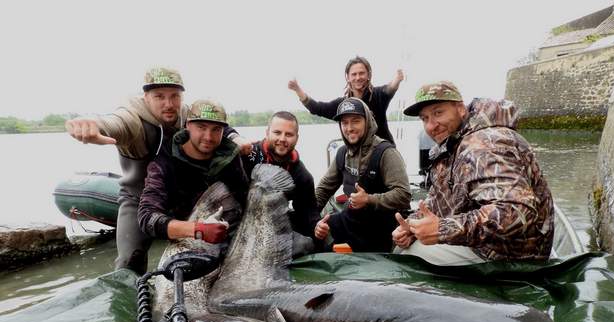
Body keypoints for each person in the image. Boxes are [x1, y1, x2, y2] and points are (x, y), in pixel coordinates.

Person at [65, 67, 250, 274]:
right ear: (145, 97)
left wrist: (236, 138)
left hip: (180, 197)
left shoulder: (186, 115)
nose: (168, 104)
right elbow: (114, 124)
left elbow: (216, 124)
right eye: (159, 96)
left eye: (174, 96)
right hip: (138, 199)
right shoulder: (131, 119)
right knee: (129, 261)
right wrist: (93, 125)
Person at [392, 81, 554, 265]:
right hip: (482, 243)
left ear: (460, 109)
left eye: (438, 113)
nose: (431, 126)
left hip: (511, 254)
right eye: (424, 118)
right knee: (405, 246)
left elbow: (516, 212)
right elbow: (438, 200)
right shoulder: (453, 145)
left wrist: (442, 229)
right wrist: (412, 226)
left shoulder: (486, 144)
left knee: (408, 259)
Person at [137, 99, 248, 245]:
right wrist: (198, 229)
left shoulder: (230, 157)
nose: (208, 137)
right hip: (188, 236)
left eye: (216, 129)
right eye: (201, 127)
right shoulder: (165, 162)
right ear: (188, 125)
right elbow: (147, 217)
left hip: (230, 233)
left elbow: (244, 198)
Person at [314, 97, 411, 252]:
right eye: (344, 123)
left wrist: (369, 199)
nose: (349, 128)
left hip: (383, 225)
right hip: (353, 219)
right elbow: (323, 190)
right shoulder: (342, 153)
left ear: (368, 122)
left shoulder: (386, 152)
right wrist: (314, 221)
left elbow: (404, 194)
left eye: (355, 121)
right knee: (315, 233)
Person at [288, 56, 404, 144]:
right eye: (354, 74)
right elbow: (316, 108)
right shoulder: (342, 105)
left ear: (368, 75)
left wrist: (398, 79)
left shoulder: (378, 95)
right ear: (347, 77)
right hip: (358, 155)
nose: (358, 78)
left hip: (383, 151)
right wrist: (297, 89)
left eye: (361, 73)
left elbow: (390, 88)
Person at [241, 111, 320, 239]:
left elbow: (308, 211)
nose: (282, 139)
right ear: (267, 133)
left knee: (307, 243)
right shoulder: (248, 155)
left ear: (297, 138)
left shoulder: (302, 174)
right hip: (242, 220)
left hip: (272, 224)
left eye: (289, 134)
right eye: (277, 133)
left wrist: (317, 226)